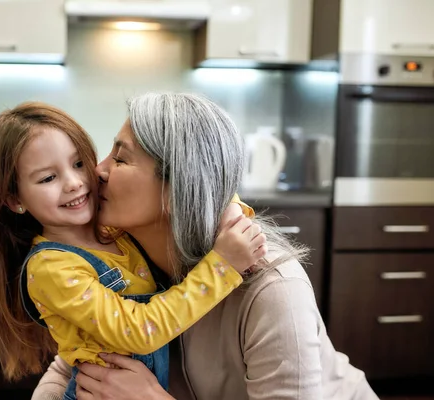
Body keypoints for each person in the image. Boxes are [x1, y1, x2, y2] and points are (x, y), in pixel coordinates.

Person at [31, 93, 378, 400]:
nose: (97, 171)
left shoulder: (273, 288)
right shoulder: (124, 258)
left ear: (178, 186)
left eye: (120, 159)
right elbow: (67, 367)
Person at [0, 102, 268, 400]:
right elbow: (140, 330)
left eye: (79, 163)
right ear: (15, 199)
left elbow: (200, 185)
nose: (74, 183)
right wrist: (223, 265)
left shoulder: (114, 231)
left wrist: (231, 213)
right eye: (48, 178)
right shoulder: (51, 268)